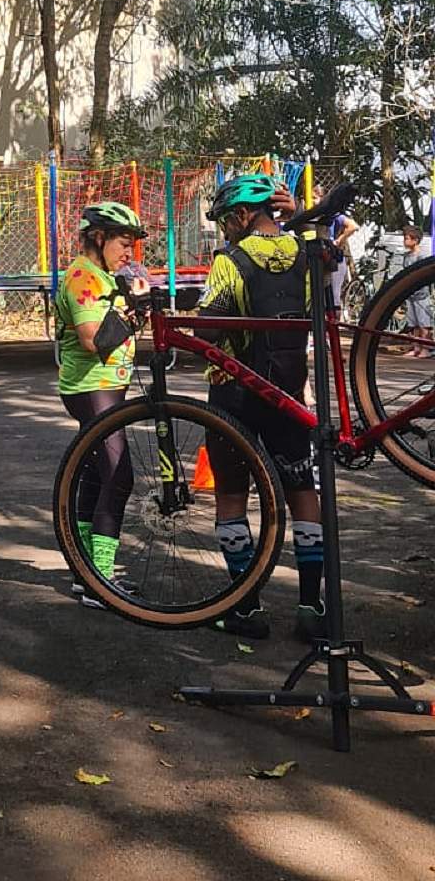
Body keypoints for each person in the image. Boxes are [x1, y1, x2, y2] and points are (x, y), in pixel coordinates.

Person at [197, 173, 326, 643]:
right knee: (302, 491)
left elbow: (207, 330)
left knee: (232, 496)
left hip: (235, 393)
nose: (226, 229)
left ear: (242, 215)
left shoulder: (230, 260)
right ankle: (312, 606)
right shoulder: (305, 256)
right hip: (290, 392)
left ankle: (246, 607)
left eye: (227, 220)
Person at [55, 201, 149, 604]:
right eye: (123, 243)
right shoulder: (83, 277)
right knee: (118, 476)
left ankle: (86, 572)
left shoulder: (104, 275)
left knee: (95, 476)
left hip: (107, 385)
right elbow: (94, 340)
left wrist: (134, 304)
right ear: (99, 238)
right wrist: (133, 312)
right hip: (91, 386)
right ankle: (100, 579)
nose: (129, 254)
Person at [401, 224, 434, 357]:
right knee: (413, 323)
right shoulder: (406, 256)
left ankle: (426, 348)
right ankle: (416, 347)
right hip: (410, 294)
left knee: (423, 323)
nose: (404, 241)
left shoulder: (422, 256)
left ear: (415, 240)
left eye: (407, 238)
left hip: (421, 294)